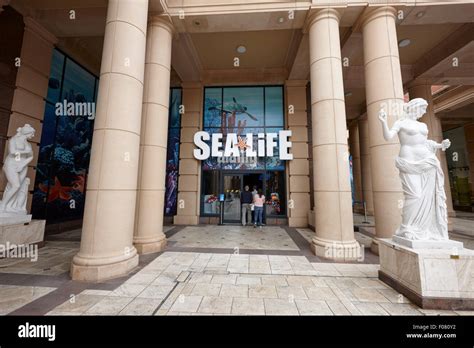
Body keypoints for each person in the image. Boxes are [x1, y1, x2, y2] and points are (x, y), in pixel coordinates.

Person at [378, 98, 451, 240]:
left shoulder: (422, 125)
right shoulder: (401, 123)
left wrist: (440, 145)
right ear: (415, 107)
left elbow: (425, 143)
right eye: (422, 108)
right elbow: (388, 137)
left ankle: (424, 228)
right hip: (408, 161)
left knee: (428, 196)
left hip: (427, 161)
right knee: (415, 195)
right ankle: (406, 226)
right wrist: (383, 122)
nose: (424, 111)